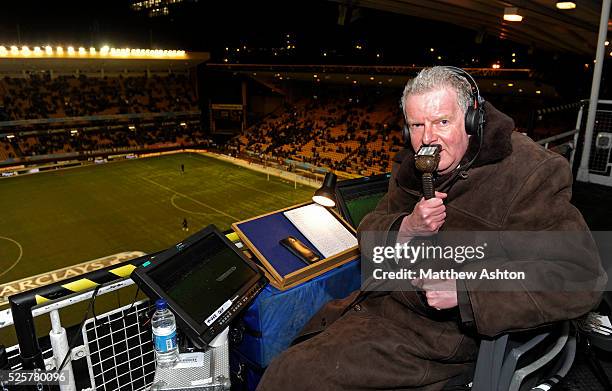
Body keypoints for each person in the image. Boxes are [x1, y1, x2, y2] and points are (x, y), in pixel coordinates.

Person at [257, 67, 606, 390]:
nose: (429, 139)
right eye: (417, 126)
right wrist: (406, 228)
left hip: (440, 341)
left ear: (473, 118)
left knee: (287, 377)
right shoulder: (416, 164)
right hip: (379, 307)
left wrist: (468, 290)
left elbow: (579, 276)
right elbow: (369, 232)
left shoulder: (530, 173)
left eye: (442, 121)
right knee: (285, 364)